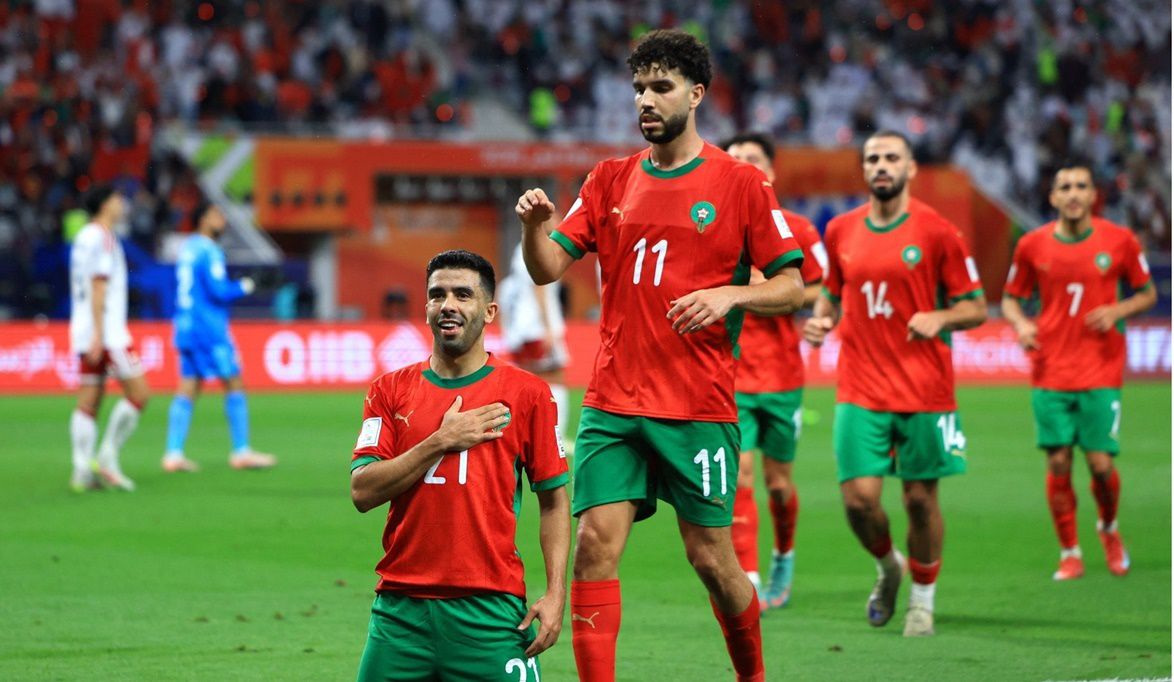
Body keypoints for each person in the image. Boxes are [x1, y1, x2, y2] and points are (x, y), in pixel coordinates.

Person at [516, 29, 805, 682]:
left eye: (662, 87)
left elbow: (792, 285)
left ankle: (753, 676)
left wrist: (732, 294)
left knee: (711, 560)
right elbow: (546, 268)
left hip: (697, 406)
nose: (646, 100)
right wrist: (534, 229)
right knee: (593, 546)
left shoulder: (741, 184)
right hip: (613, 403)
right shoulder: (609, 179)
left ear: (696, 95)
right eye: (639, 88)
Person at [349, 249, 571, 681]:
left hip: (490, 610)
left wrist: (556, 592)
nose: (447, 304)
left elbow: (554, 501)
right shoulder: (388, 390)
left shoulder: (527, 393)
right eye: (437, 295)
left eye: (462, 295)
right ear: (427, 307)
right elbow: (362, 491)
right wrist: (441, 441)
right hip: (400, 612)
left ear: (489, 312)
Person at [802, 131, 987, 637]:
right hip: (860, 387)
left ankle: (922, 602)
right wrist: (821, 320)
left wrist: (940, 317)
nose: (881, 166)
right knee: (858, 501)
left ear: (910, 169)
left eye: (891, 158)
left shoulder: (938, 232)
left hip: (924, 389)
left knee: (920, 502)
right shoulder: (840, 230)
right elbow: (832, 293)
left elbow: (976, 307)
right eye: (872, 159)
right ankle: (889, 568)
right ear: (864, 169)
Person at [1001, 162, 1156, 581]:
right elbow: (1011, 299)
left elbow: (1147, 293)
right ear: (1053, 197)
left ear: (1092, 196)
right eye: (1065, 187)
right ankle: (1070, 552)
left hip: (1100, 367)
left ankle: (1108, 528)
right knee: (1058, 463)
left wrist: (1118, 310)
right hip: (1050, 367)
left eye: (1080, 186)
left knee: (1101, 465)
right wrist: (1021, 324)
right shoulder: (1032, 245)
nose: (1072, 193)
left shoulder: (1119, 241)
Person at [721, 133, 827, 611]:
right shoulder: (714, 225)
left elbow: (822, 288)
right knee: (741, 475)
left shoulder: (797, 228)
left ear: (771, 171)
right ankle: (749, 577)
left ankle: (784, 554)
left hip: (783, 376)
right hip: (732, 373)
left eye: (753, 159)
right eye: (735, 159)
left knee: (779, 484)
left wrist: (776, 290)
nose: (744, 166)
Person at [162, 203, 276, 472]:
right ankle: (241, 451)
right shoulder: (210, 250)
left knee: (188, 385)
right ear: (203, 219)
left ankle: (173, 453)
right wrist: (246, 285)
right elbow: (218, 291)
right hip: (208, 328)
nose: (222, 220)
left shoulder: (188, 247)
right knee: (234, 382)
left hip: (185, 325)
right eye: (216, 216)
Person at [68, 185, 148, 492]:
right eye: (116, 199)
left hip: (84, 328)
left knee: (89, 400)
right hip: (108, 333)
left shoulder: (83, 237)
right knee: (139, 394)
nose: (121, 203)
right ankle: (107, 457)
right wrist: (100, 334)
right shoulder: (102, 237)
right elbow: (98, 285)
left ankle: (81, 470)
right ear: (104, 205)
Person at [498, 241, 571, 436]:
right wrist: (548, 327)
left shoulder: (511, 276)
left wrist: (509, 335)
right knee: (555, 379)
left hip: (519, 332)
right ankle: (554, 435)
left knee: (526, 383)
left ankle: (523, 434)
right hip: (536, 328)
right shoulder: (541, 245)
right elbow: (538, 286)